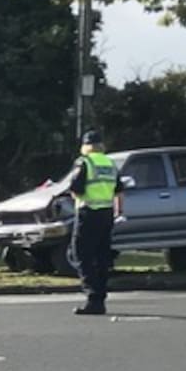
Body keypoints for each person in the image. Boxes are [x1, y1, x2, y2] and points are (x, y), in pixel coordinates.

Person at [67, 129, 124, 316]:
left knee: (79, 254)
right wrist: (119, 211)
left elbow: (76, 188)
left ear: (85, 146)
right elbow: (119, 190)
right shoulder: (110, 163)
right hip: (106, 214)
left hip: (88, 212)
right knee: (101, 257)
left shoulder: (84, 162)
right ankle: (100, 297)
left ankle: (93, 297)